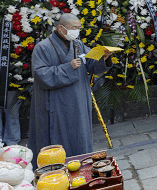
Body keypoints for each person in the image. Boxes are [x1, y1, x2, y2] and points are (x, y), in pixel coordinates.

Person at [28, 12, 113, 159]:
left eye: (79, 28)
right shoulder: (43, 47)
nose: (77, 31)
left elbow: (91, 63)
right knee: (58, 140)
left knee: (79, 135)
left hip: (78, 100)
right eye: (74, 27)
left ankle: (81, 164)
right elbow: (40, 74)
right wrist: (68, 68)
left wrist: (103, 57)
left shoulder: (78, 44)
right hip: (57, 103)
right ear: (61, 28)